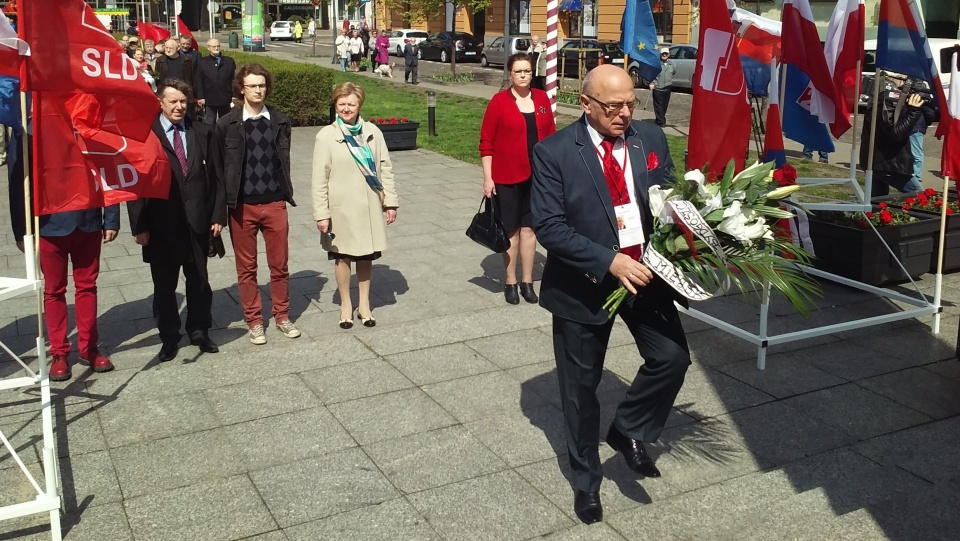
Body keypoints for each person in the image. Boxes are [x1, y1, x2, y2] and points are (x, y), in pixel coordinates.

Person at [530, 65, 691, 525]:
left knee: (672, 359)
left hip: (645, 274)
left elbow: (668, 194)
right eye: (612, 106)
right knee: (581, 391)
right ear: (585, 104)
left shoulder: (649, 139)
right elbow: (549, 226)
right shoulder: (555, 152)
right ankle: (586, 483)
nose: (624, 114)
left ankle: (628, 429)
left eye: (630, 104)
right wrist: (608, 261)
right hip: (586, 285)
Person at [7, 127, 118, 382]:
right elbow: (17, 180)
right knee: (54, 290)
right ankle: (59, 352)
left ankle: (89, 347)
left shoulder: (88, 123)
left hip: (87, 219)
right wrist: (21, 230)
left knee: (87, 286)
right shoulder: (28, 128)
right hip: (48, 223)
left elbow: (106, 168)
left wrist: (111, 218)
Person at [127, 79, 226, 362]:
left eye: (183, 101)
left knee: (199, 282)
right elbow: (134, 184)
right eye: (173, 101)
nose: (179, 107)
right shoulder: (145, 134)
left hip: (198, 222)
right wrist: (140, 225)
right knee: (164, 286)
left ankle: (199, 331)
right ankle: (169, 337)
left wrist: (218, 215)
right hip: (160, 225)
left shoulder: (203, 132)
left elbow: (217, 178)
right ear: (160, 102)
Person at [212, 64, 301, 345]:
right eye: (252, 86)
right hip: (241, 206)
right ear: (242, 89)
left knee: (279, 265)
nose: (258, 90)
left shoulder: (280, 121)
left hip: (274, 203)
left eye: (262, 85)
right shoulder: (227, 124)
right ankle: (254, 321)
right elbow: (218, 168)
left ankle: (282, 315)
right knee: (246, 268)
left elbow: (282, 162)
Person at [311, 82, 398, 329]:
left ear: (360, 105)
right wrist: (321, 214)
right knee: (342, 256)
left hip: (369, 207)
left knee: (366, 256)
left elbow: (386, 168)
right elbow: (319, 179)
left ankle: (364, 304)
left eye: (351, 104)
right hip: (340, 209)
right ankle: (345, 304)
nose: (346, 108)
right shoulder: (326, 136)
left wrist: (390, 202)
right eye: (342, 104)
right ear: (335, 105)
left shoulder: (373, 132)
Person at [479, 53, 557, 305]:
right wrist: (488, 178)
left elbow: (552, 139)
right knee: (511, 230)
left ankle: (527, 281)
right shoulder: (499, 102)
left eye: (527, 71)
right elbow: (486, 143)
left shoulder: (542, 99)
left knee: (530, 229)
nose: (523, 76)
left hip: (537, 177)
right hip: (507, 176)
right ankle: (510, 280)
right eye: (518, 72)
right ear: (510, 75)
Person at [860, 78, 926, 197]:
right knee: (920, 196)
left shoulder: (881, 103)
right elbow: (897, 134)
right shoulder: (886, 104)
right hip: (889, 164)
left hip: (878, 162)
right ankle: (834, 211)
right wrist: (913, 111)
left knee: (875, 200)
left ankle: (840, 213)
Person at [195, 38, 237, 124]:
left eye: (218, 46)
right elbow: (199, 80)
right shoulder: (202, 62)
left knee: (226, 122)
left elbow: (233, 79)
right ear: (208, 48)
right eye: (214, 46)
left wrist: (234, 94)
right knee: (209, 122)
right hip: (209, 98)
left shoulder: (229, 61)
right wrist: (201, 97)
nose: (216, 48)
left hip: (225, 97)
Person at [908, 80, 940, 189]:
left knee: (916, 152)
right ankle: (913, 174)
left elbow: (930, 115)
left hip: (915, 128)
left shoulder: (921, 99)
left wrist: (924, 124)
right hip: (914, 127)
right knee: (913, 152)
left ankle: (916, 175)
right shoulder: (923, 97)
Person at [649, 48, 675, 127]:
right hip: (658, 87)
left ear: (668, 55)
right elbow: (652, 74)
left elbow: (673, 72)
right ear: (660, 55)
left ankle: (659, 119)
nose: (664, 55)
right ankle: (661, 122)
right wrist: (652, 83)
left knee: (664, 105)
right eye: (663, 54)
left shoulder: (672, 64)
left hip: (667, 87)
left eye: (666, 54)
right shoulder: (656, 64)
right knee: (658, 105)